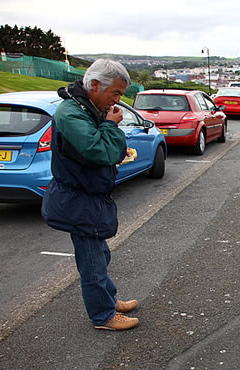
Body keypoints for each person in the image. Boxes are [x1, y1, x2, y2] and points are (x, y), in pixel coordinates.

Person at [41, 59, 139, 331]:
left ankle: (109, 300)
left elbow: (100, 151)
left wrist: (108, 131)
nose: (117, 100)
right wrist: (111, 126)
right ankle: (103, 316)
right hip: (78, 200)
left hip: (86, 197)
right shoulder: (71, 113)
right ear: (94, 85)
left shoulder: (87, 107)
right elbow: (99, 151)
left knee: (99, 253)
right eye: (116, 93)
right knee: (92, 261)